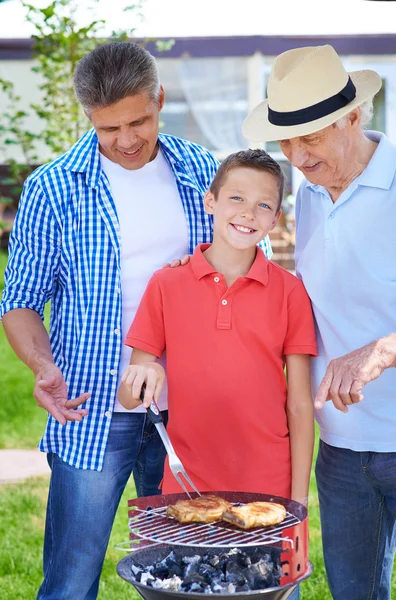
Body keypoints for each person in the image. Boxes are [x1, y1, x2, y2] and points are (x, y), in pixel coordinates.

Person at [0, 42, 272, 600]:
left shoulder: (204, 171)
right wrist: (42, 364)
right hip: (93, 406)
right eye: (108, 129)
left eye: (138, 121)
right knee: (71, 579)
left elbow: (248, 273)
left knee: (192, 572)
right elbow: (21, 298)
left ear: (160, 100)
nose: (125, 140)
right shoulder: (52, 189)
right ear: (88, 119)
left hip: (193, 408)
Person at [242, 44, 396, 600]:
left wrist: (382, 349)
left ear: (355, 115)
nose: (297, 155)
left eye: (311, 136)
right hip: (341, 448)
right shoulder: (307, 196)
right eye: (286, 139)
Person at [118, 148, 317, 508]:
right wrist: (140, 378)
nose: (247, 213)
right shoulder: (166, 284)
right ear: (210, 201)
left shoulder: (291, 292)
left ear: (275, 220)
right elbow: (130, 396)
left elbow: (300, 405)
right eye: (237, 198)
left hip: (268, 483)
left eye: (263, 205)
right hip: (186, 480)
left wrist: (299, 499)